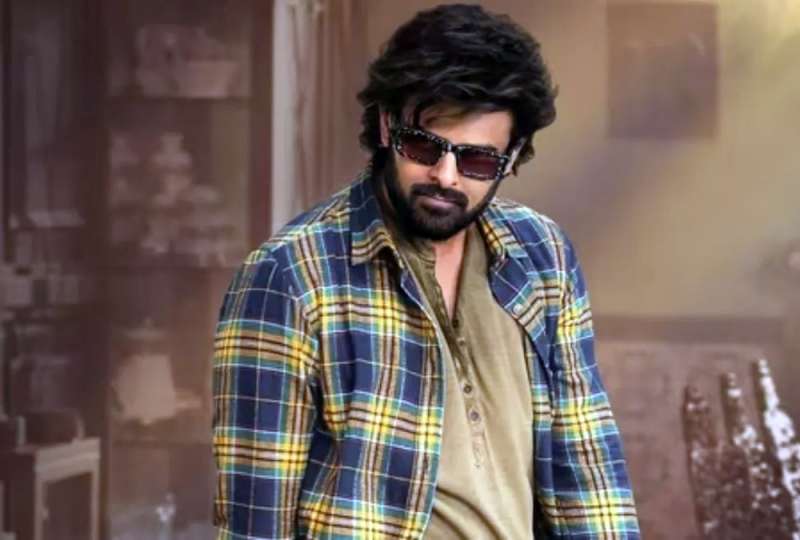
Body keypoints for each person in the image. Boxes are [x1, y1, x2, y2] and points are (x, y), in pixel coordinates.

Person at [212, 4, 639, 539]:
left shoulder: (543, 256)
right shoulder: (289, 277)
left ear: (513, 157)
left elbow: (589, 470)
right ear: (387, 125)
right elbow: (255, 523)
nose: (446, 175)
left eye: (477, 160)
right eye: (423, 146)